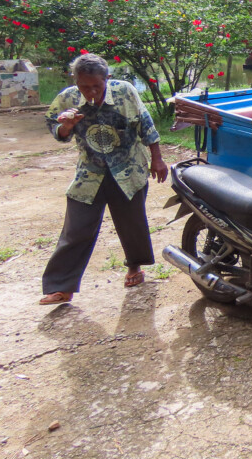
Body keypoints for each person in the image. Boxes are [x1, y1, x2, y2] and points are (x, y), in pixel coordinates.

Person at [39, 54, 168, 305]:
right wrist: (67, 124)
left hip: (128, 168)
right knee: (76, 228)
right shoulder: (67, 98)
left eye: (96, 85)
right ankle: (61, 286)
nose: (90, 91)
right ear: (75, 80)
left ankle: (134, 267)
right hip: (90, 171)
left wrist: (157, 159)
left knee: (132, 223)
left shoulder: (125, 91)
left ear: (107, 78)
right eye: (84, 86)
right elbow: (57, 130)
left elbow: (145, 124)